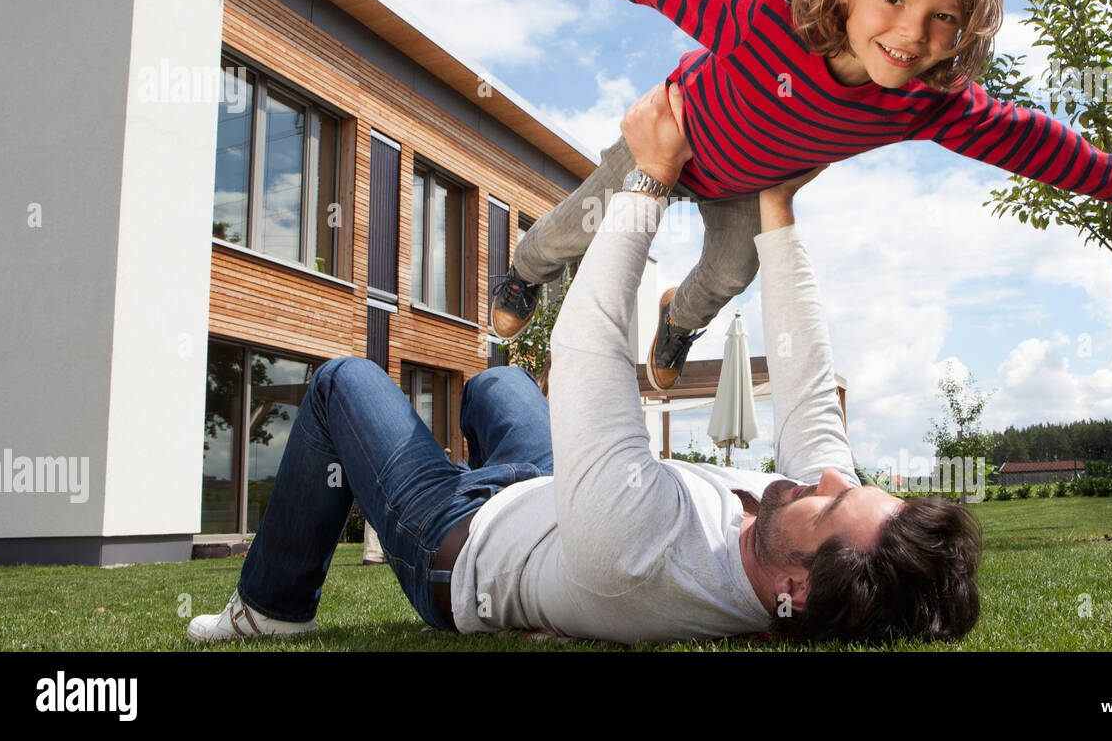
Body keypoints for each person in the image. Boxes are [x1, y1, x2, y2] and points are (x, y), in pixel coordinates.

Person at [186, 84, 983, 646]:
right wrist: (776, 208)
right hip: (549, 494)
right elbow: (809, 387)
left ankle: (271, 608)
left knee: (343, 383)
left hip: (454, 543)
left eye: (833, 499)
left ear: (794, 592)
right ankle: (530, 553)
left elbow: (585, 343)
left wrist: (649, 178)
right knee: (497, 384)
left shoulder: (640, 557)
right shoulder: (804, 540)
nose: (831, 476)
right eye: (848, 480)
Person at [420, 0, 1112, 392]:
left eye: (943, 19)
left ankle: (676, 322)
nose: (912, 34)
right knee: (577, 228)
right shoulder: (760, 10)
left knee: (733, 273)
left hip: (745, 184)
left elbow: (1029, 140)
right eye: (892, 0)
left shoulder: (928, 101)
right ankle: (525, 270)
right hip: (675, 134)